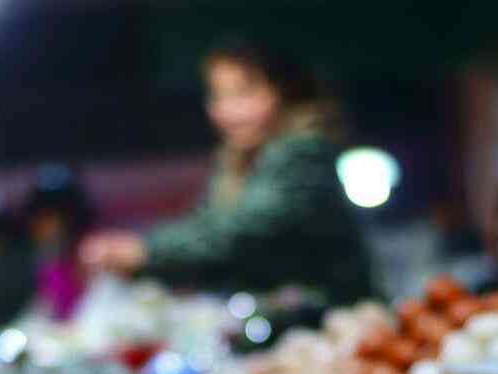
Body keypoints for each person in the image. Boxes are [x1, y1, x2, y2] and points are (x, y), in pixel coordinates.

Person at [79, 40, 374, 301]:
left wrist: (144, 251)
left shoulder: (304, 152)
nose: (227, 110)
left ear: (283, 92)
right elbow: (203, 225)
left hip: (334, 322)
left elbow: (238, 233)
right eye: (218, 96)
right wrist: (136, 252)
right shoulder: (236, 161)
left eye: (244, 93)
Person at [0, 165, 95, 327]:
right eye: (43, 218)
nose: (49, 226)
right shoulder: (15, 261)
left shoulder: (78, 254)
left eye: (56, 219)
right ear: (32, 221)